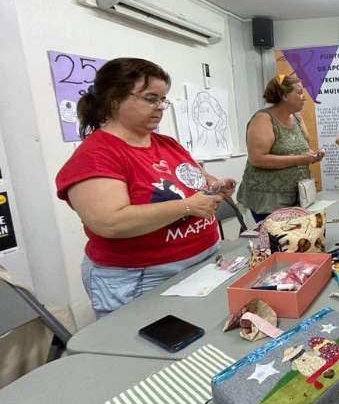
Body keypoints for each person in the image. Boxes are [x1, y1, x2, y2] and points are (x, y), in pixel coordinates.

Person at [55, 58, 236, 318]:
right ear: (114, 99)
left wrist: (214, 186)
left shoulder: (166, 143)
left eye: (163, 100)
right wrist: (188, 206)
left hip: (201, 260)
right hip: (142, 277)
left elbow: (196, 179)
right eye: (151, 98)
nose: (160, 107)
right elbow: (110, 222)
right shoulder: (97, 155)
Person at [237, 74, 324, 222]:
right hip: (269, 200)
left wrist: (312, 156)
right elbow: (257, 159)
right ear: (284, 95)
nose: (304, 97)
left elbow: (301, 151)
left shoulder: (296, 117)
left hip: (296, 196)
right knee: (276, 242)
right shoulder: (263, 119)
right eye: (299, 92)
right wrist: (301, 159)